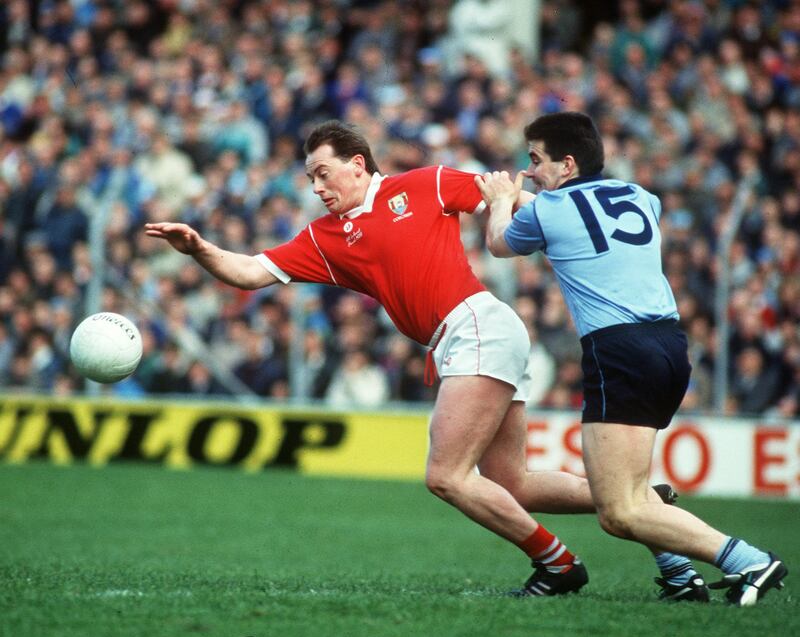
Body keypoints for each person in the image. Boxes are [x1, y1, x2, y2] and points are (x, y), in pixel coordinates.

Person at [146, 120, 615, 597]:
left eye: (323, 173)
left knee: (446, 477)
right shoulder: (325, 238)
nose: (317, 187)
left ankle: (558, 564)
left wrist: (562, 222)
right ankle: (633, 505)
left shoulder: (423, 183)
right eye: (310, 179)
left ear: (356, 164)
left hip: (476, 325)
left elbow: (515, 200)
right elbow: (248, 271)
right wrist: (199, 249)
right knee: (512, 483)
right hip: (471, 336)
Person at [476, 111, 788, 606]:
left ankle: (746, 559)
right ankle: (680, 575)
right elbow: (579, 214)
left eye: (536, 160)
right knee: (633, 489)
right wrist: (533, 198)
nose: (530, 170)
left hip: (619, 350)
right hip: (668, 345)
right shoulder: (642, 197)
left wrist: (499, 202)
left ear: (568, 163)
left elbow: (498, 244)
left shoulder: (547, 211)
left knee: (618, 510)